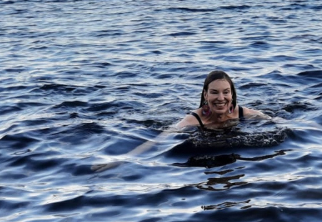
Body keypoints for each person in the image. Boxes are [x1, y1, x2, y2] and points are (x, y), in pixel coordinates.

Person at [92, 70, 269, 171]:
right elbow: (158, 140)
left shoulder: (242, 113)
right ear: (205, 95)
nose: (221, 98)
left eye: (226, 92)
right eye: (214, 92)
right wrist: (121, 160)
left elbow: (276, 121)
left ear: (232, 94)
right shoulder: (193, 121)